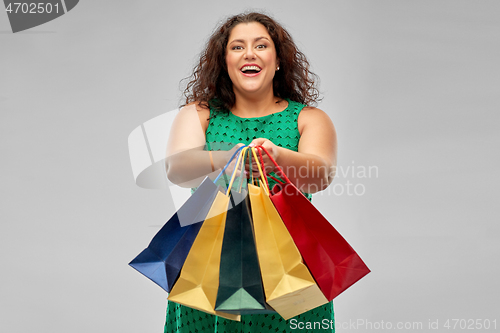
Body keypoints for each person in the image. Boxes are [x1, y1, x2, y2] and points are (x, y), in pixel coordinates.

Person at [165, 11, 337, 333]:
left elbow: (321, 175)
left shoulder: (309, 119)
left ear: (278, 60)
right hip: (208, 268)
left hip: (290, 269)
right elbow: (178, 169)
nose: (249, 54)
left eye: (261, 45)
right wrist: (230, 156)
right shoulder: (199, 114)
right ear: (224, 61)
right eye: (237, 47)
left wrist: (277, 156)